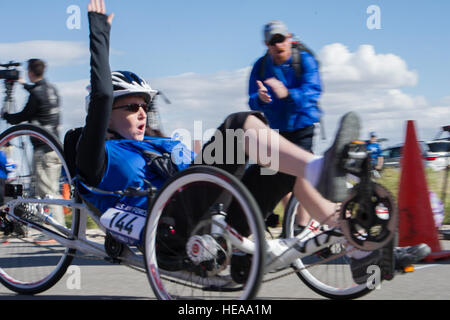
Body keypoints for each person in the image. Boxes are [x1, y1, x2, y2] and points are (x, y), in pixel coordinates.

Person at [78, 0, 429, 284]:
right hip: (171, 225)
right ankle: (322, 169)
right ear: (107, 115)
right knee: (238, 124)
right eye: (131, 107)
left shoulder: (161, 144)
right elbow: (102, 95)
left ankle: (356, 242)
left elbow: (203, 168)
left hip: (213, 217)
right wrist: (100, 35)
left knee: (282, 162)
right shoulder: (99, 155)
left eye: (145, 106)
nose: (142, 113)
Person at [248, 20, 322, 233]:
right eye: (272, 41)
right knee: (276, 175)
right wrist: (260, 98)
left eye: (280, 39)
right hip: (277, 128)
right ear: (266, 44)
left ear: (289, 39)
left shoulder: (304, 60)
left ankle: (302, 226)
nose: (277, 45)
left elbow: (314, 92)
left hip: (303, 126)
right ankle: (291, 222)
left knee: (301, 172)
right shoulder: (260, 67)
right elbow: (252, 99)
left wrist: (289, 94)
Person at [2, 58, 65, 231]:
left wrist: (6, 115)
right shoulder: (51, 89)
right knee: (49, 190)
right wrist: (23, 84)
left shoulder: (36, 93)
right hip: (55, 148)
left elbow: (23, 116)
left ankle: (57, 232)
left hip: (43, 150)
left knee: (48, 193)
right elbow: (38, 93)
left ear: (30, 72)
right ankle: (55, 230)